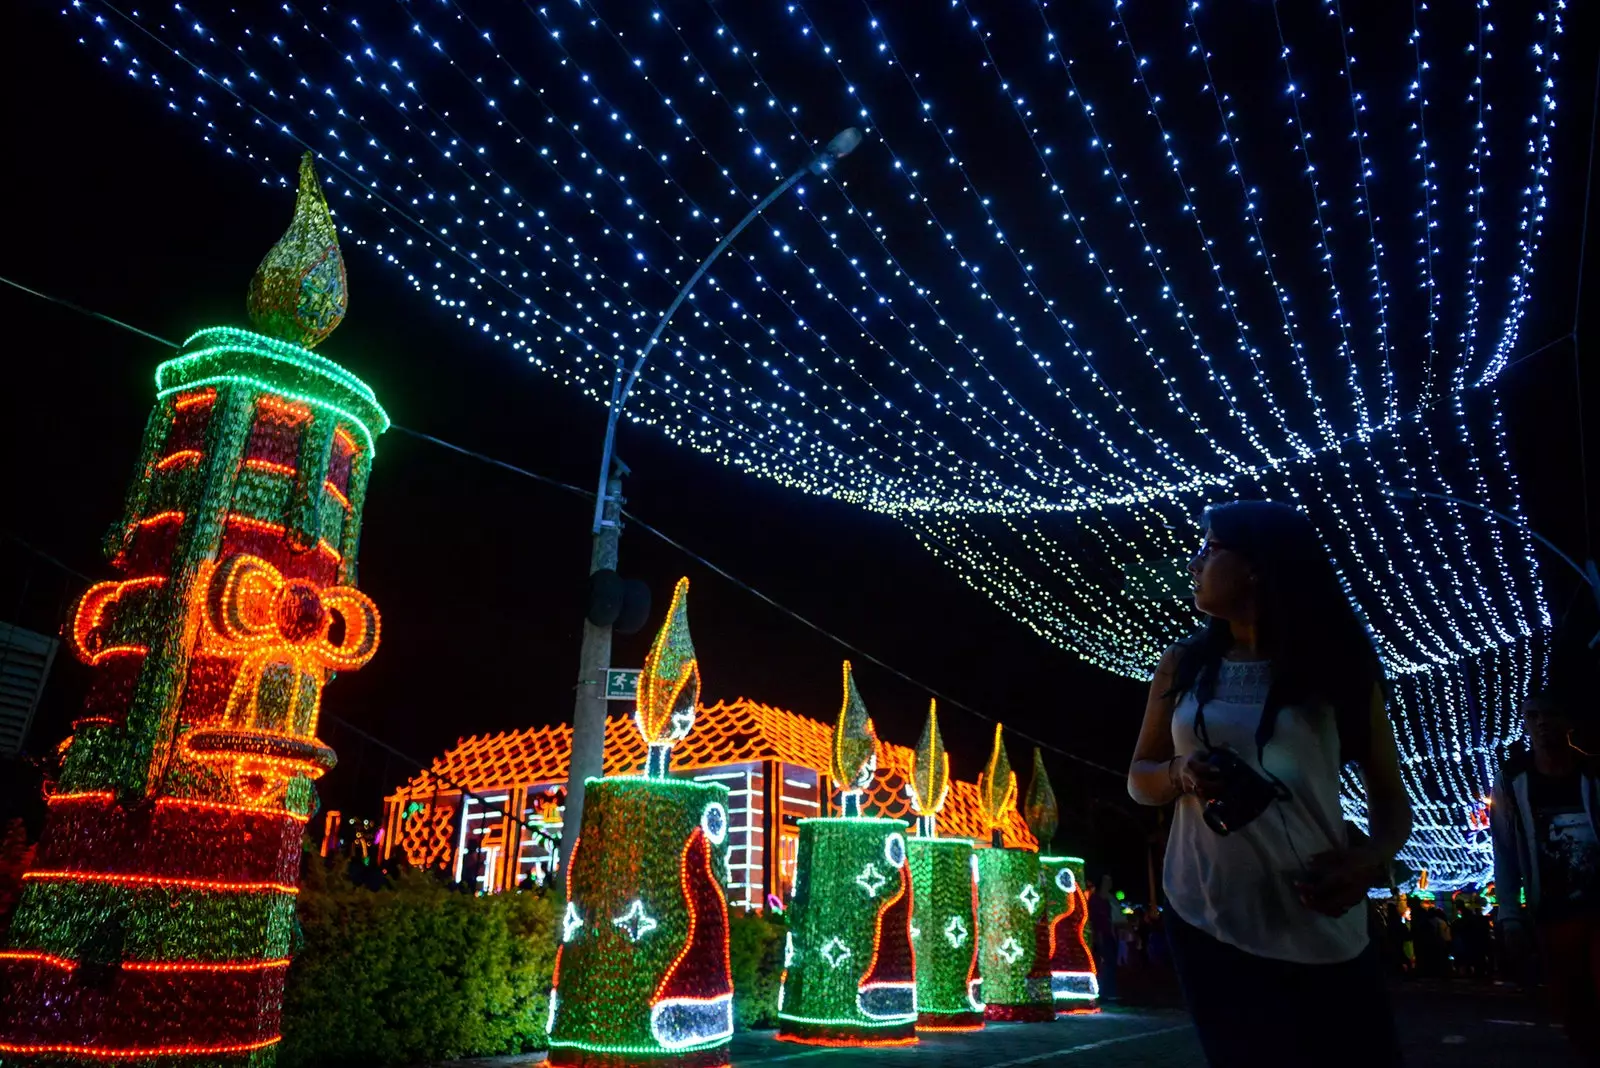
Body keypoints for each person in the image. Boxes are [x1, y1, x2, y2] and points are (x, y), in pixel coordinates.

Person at [1127, 501, 1412, 1066]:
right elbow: (1139, 778)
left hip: (1316, 909)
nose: (1193, 563)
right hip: (1203, 909)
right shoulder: (1183, 664)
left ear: (1256, 565)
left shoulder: (1339, 669)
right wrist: (1182, 774)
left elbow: (1389, 798)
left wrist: (1368, 860)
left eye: (1209, 549)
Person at [1491, 692, 1600, 1061]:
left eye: (1550, 714)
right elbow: (1504, 849)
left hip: (1596, 907)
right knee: (1573, 1009)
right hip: (1552, 911)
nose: (1540, 723)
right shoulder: (1513, 779)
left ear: (1569, 721)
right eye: (1532, 715)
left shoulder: (1593, 773)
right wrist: (1510, 914)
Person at [1086, 874, 1120, 1002]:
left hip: (1109, 934)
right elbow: (1095, 919)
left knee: (1109, 963)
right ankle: (1105, 991)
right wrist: (1096, 935)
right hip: (1101, 935)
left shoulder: (1107, 899)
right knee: (1105, 963)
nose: (1109, 883)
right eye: (1107, 881)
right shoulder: (1095, 899)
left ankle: (1108, 990)